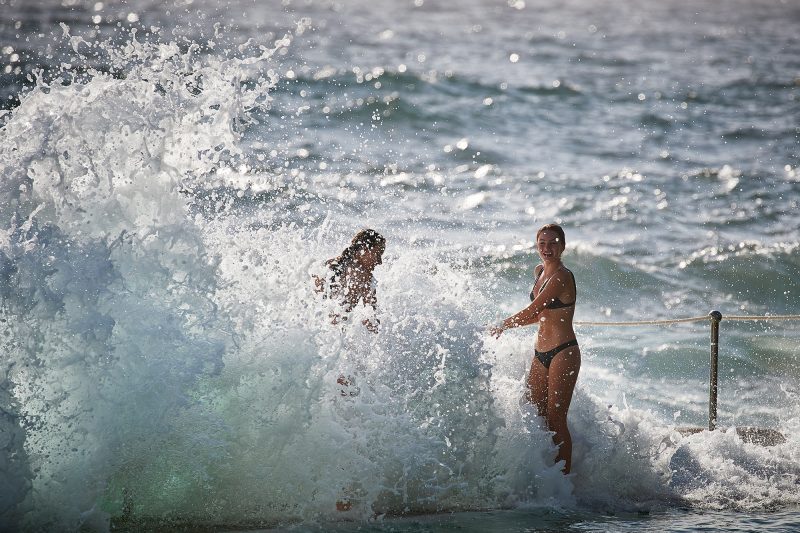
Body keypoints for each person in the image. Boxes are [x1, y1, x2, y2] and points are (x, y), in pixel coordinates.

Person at [490, 223, 580, 474]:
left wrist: (502, 324)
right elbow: (538, 316)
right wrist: (506, 327)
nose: (547, 248)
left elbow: (532, 309)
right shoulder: (539, 271)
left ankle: (564, 482)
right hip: (540, 354)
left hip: (564, 351)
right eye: (542, 243)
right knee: (536, 414)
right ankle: (543, 476)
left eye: (552, 243)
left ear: (562, 246)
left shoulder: (562, 276)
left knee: (556, 419)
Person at [314, 228, 386, 333]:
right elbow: (372, 323)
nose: (379, 261)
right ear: (364, 250)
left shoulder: (329, 265)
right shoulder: (363, 278)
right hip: (326, 334)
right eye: (377, 254)